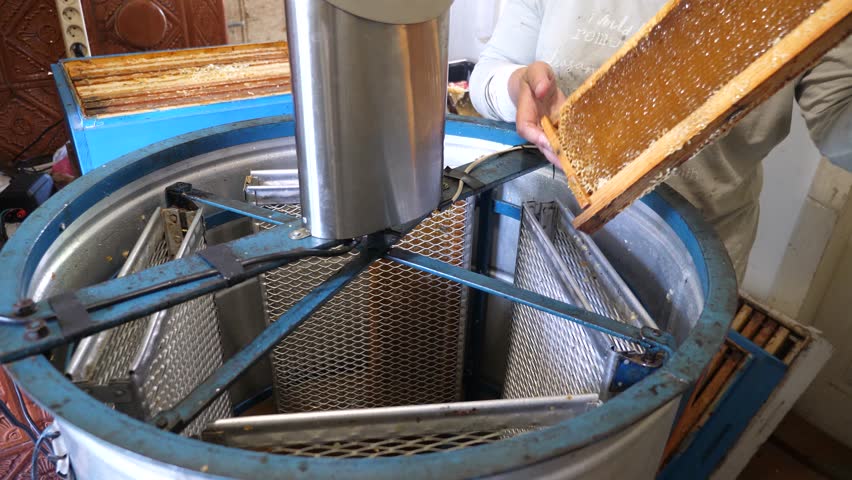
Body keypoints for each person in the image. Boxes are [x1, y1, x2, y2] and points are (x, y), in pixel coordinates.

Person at [470, 1, 852, 281]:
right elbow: (490, 71)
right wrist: (517, 86)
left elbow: (839, 122)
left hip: (687, 254)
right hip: (546, 229)